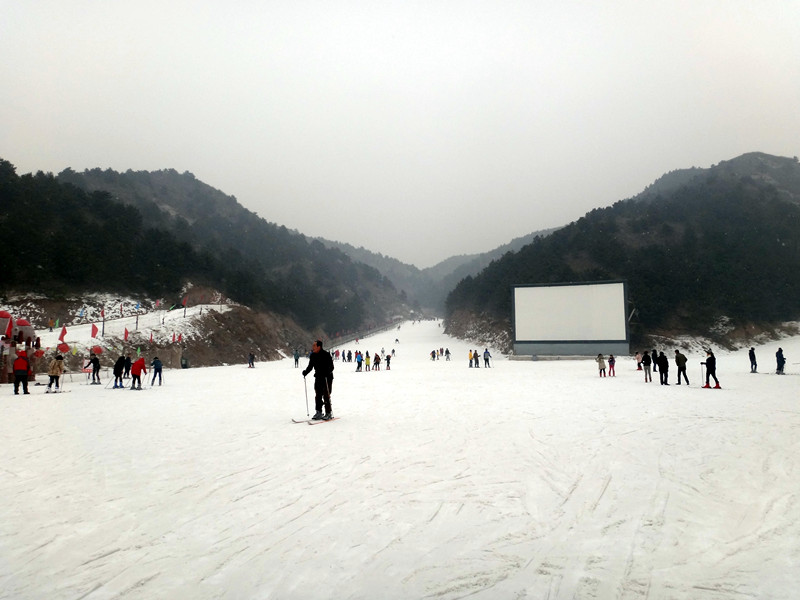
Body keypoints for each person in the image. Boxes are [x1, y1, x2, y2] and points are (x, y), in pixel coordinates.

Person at [302, 339, 335, 420]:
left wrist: (327, 372)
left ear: (319, 346)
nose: (313, 347)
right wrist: (305, 372)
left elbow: (331, 367)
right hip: (318, 377)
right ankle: (319, 412)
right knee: (318, 395)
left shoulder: (326, 355)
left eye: (314, 345)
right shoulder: (313, 355)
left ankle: (328, 412)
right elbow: (310, 366)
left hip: (327, 378)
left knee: (326, 395)